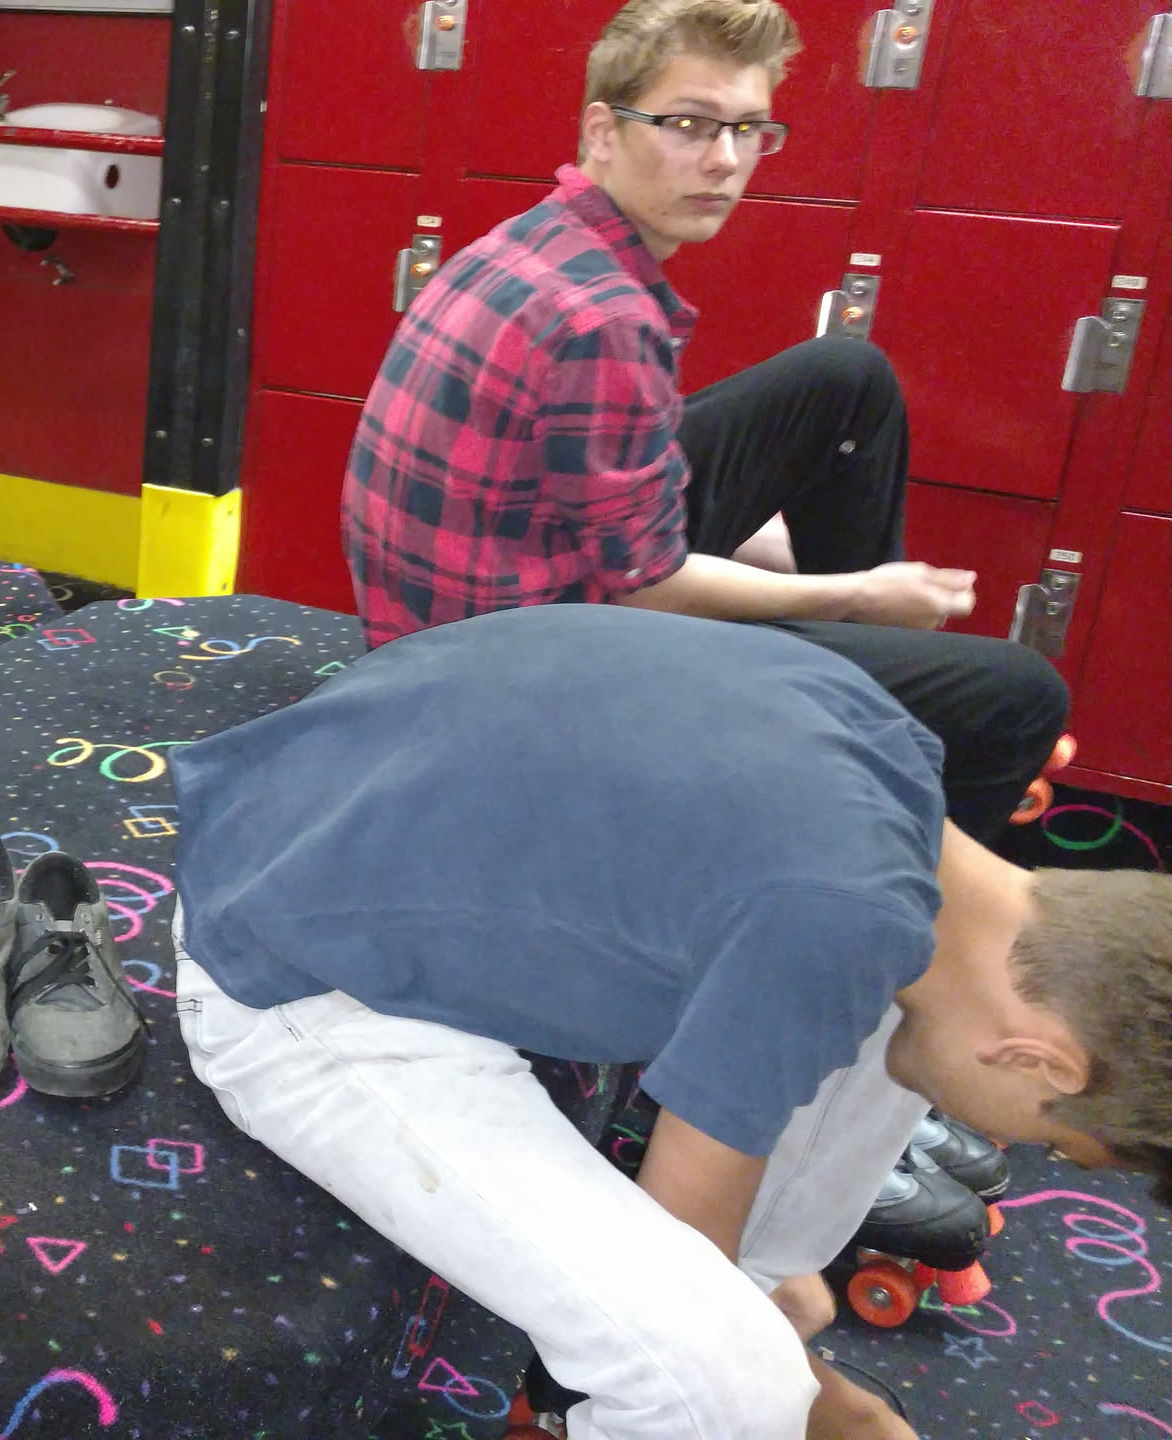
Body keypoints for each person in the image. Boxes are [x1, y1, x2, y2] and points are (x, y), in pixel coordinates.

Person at [337, 0, 1065, 1231]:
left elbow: (596, 508)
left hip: (502, 598)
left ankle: (842, 731)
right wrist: (852, 594)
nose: (721, 161)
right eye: (685, 125)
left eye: (746, 130)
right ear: (602, 131)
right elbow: (641, 585)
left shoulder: (541, 242)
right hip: (516, 687)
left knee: (843, 381)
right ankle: (900, 1006)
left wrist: (782, 577)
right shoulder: (602, 320)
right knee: (1011, 699)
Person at [171, 603, 1172, 1440]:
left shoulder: (896, 758)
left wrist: (758, 1295)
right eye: (1049, 1137)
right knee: (724, 1391)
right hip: (287, 970)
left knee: (907, 1027)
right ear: (1043, 1058)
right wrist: (787, 1372)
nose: (1015, 1142)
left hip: (337, 781)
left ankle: (773, 1291)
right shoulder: (827, 924)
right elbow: (687, 1243)